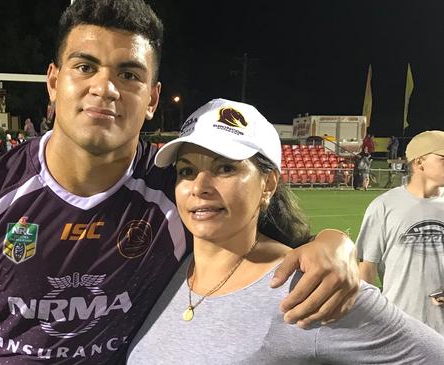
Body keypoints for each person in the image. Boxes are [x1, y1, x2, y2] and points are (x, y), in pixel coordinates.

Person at [0, 1, 359, 363]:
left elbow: (271, 241)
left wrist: (337, 244)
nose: (106, 87)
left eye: (129, 74)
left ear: (153, 97)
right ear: (53, 82)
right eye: (85, 67)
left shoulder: (178, 187)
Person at [127, 99, 444, 364]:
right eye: (187, 171)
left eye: (225, 168)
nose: (199, 187)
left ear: (268, 184)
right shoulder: (164, 264)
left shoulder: (310, 285)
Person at [357, 130, 444, 334]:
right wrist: (362, 320)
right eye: (442, 159)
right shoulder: (384, 206)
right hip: (400, 327)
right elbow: (367, 269)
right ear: (419, 162)